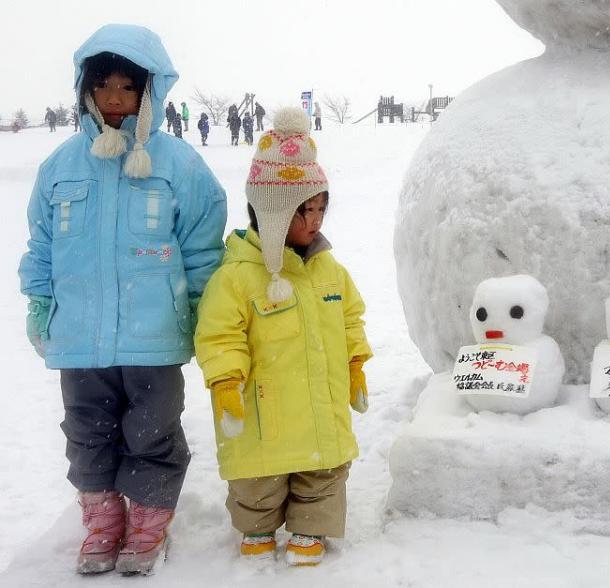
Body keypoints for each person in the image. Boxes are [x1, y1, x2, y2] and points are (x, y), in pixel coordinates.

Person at [18, 24, 227, 576]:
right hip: (80, 337)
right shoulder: (61, 167)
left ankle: (149, 525)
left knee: (152, 433)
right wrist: (39, 301)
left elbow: (203, 251)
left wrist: (208, 314)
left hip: (154, 337)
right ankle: (103, 524)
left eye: (127, 87)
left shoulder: (179, 165)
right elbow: (42, 244)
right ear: (86, 89)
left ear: (149, 93)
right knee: (86, 434)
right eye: (103, 84)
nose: (114, 97)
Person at [194, 107, 372, 567]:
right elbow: (219, 334)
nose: (315, 221)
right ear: (271, 213)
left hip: (320, 403)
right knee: (259, 475)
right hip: (262, 406)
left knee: (324, 468)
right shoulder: (236, 277)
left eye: (320, 209)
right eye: (302, 212)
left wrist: (355, 362)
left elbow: (351, 315)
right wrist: (226, 380)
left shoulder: (329, 269)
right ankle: (257, 525)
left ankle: (311, 527)